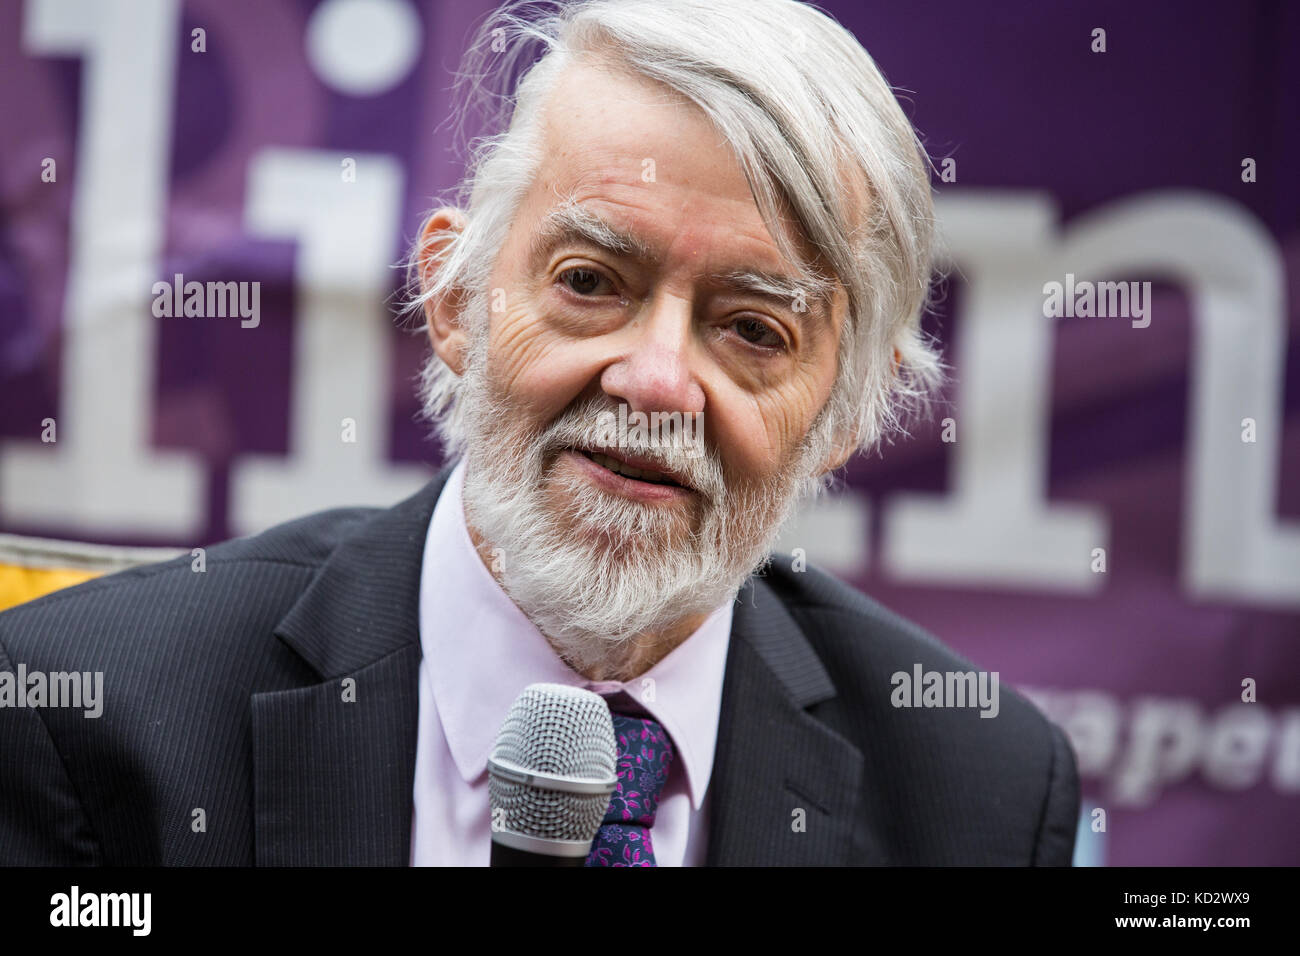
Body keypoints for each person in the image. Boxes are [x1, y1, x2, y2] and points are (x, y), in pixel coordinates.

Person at [0, 0, 1078, 866]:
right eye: (590, 281)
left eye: (752, 327)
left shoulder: (978, 791)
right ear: (456, 299)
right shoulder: (92, 719)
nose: (656, 379)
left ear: (846, 409)